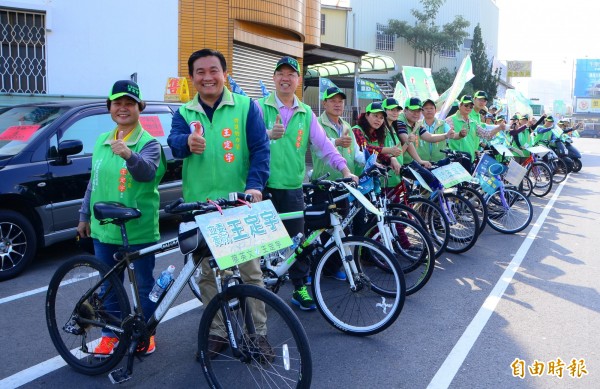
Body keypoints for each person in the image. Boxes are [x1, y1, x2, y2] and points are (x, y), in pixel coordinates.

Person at [167, 48, 271, 358]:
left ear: (224, 74)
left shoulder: (245, 107)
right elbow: (173, 145)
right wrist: (185, 142)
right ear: (192, 77)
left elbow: (260, 150)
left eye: (214, 70)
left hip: (237, 205)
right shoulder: (184, 114)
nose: (208, 77)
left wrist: (254, 187)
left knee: (250, 273)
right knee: (207, 275)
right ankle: (217, 332)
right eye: (200, 72)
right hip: (200, 208)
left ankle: (259, 335)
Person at [257, 56, 357, 312]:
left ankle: (299, 287)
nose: (286, 78)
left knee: (298, 240)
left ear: (298, 80)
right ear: (274, 78)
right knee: (259, 243)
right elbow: (246, 144)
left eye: (291, 74)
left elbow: (324, 146)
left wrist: (345, 170)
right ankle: (253, 290)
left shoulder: (306, 114)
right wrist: (268, 135)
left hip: (292, 186)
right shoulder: (258, 108)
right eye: (281, 73)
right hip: (261, 187)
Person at [77, 80, 166, 357]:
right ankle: (110, 335)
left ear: (140, 108)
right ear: (110, 108)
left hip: (137, 230)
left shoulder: (149, 144)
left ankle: (146, 333)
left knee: (143, 286)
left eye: (130, 103)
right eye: (118, 103)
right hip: (104, 229)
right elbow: (93, 183)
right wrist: (83, 215)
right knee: (107, 285)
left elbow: (147, 173)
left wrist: (129, 154)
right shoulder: (102, 141)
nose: (123, 108)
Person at [313, 86, 365, 179]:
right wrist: (337, 142)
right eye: (333, 101)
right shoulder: (316, 123)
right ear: (324, 103)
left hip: (347, 181)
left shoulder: (347, 126)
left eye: (340, 101)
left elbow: (356, 153)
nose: (337, 105)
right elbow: (318, 147)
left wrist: (372, 161)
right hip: (324, 183)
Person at [446, 95, 505, 169]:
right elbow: (448, 137)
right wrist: (459, 135)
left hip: (469, 159)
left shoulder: (473, 122)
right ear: (460, 105)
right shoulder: (450, 120)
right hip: (455, 159)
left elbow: (486, 135)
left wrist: (499, 128)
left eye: (471, 107)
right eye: (466, 105)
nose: (468, 108)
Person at [414, 98, 455, 163]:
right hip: (422, 162)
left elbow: (453, 135)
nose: (429, 110)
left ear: (435, 110)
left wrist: (460, 134)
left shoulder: (443, 124)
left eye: (431, 108)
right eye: (426, 108)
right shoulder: (416, 125)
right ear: (422, 111)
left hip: (440, 162)